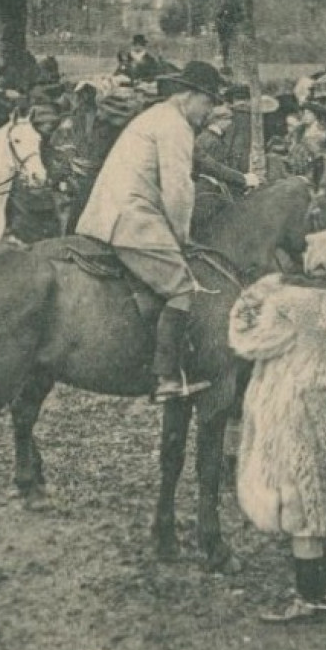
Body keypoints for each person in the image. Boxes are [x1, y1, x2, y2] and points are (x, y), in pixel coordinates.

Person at [228, 229, 326, 623]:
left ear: (315, 264)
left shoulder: (293, 304)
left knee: (299, 504)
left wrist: (255, 294)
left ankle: (306, 597)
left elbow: (246, 340)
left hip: (296, 413)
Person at [77, 60, 227, 401]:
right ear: (191, 96)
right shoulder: (176, 127)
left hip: (106, 210)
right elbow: (178, 189)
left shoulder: (154, 116)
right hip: (132, 216)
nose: (210, 112)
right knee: (181, 287)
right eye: (209, 103)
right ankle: (167, 377)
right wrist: (181, 236)